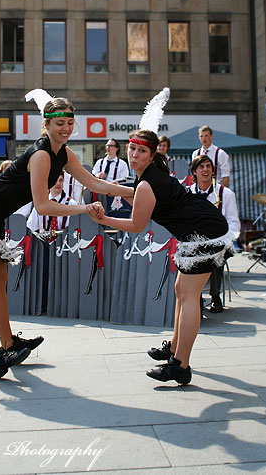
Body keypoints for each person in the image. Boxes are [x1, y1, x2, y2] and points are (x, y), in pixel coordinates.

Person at [0, 92, 134, 380]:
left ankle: (9, 342)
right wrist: (84, 207)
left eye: (70, 122)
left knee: (0, 283)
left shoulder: (64, 153)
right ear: (45, 125)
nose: (66, 128)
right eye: (60, 123)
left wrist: (134, 192)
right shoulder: (43, 155)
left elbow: (94, 182)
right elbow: (43, 205)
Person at [88, 129, 233, 386]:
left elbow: (136, 225)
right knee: (181, 290)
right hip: (199, 228)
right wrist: (92, 181)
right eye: (132, 149)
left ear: (152, 154)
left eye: (141, 151)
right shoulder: (150, 176)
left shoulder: (147, 182)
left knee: (190, 296)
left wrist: (103, 219)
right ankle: (174, 349)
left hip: (205, 232)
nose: (134, 155)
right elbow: (117, 189)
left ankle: (180, 365)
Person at [190, 155, 241, 313]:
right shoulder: (187, 193)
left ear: (213, 170)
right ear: (194, 171)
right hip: (195, 242)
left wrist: (224, 239)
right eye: (201, 167)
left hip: (220, 242)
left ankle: (214, 296)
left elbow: (234, 223)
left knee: (216, 254)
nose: (205, 170)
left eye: (208, 166)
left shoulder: (226, 194)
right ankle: (194, 297)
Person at [26, 172, 78, 237]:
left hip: (63, 244)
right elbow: (30, 228)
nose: (58, 183)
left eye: (61, 180)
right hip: (43, 244)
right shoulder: (40, 203)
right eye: (55, 180)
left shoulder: (71, 204)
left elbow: (74, 230)